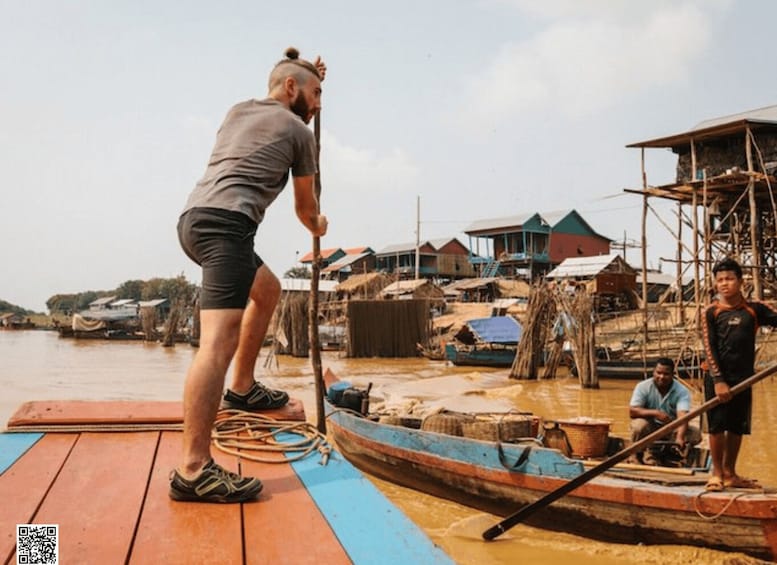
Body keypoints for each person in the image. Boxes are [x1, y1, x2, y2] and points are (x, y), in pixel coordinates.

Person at [169, 48, 328, 503]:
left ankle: (241, 388)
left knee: (269, 289)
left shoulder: (238, 110)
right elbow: (305, 210)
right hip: (227, 226)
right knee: (216, 343)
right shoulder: (300, 132)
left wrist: (305, 77)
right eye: (314, 95)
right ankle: (194, 471)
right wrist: (319, 226)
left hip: (195, 219)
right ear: (292, 89)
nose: (317, 106)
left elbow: (284, 92)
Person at [702, 257, 777, 491]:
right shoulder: (711, 312)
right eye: (720, 280)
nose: (724, 284)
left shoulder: (754, 309)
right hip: (716, 378)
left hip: (744, 378)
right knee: (716, 426)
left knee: (736, 426)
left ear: (740, 281)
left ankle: (730, 473)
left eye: (729, 279)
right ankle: (716, 474)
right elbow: (709, 347)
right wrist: (719, 380)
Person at [628, 357, 701, 465]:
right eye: (658, 373)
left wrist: (680, 437)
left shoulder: (682, 391)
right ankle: (636, 455)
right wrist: (655, 413)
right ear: (654, 372)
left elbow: (683, 417)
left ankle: (669, 453)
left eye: (666, 374)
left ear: (673, 375)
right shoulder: (643, 386)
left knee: (695, 434)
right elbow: (632, 411)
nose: (661, 377)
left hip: (670, 427)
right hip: (650, 427)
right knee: (638, 426)